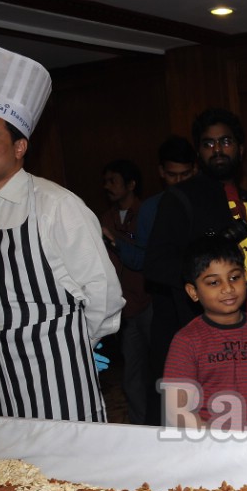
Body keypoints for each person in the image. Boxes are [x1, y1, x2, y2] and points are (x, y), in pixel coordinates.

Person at [0, 43, 124, 422]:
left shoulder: (57, 205)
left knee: (73, 474)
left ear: (20, 146)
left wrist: (76, 345)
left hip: (62, 373)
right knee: (12, 474)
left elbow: (104, 295)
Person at [143, 108, 247, 425]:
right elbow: (155, 264)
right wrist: (205, 265)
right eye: (208, 144)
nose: (218, 150)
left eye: (225, 142)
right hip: (209, 333)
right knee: (218, 422)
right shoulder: (180, 199)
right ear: (198, 153)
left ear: (240, 148)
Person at [161, 235, 247, 430]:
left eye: (234, 278)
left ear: (246, 277)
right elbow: (177, 413)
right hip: (206, 442)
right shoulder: (187, 341)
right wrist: (225, 440)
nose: (228, 288)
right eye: (213, 283)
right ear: (193, 292)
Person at [99, 159, 151, 424]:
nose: (108, 186)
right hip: (124, 308)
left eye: (114, 181)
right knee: (131, 372)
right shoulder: (104, 218)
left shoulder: (146, 213)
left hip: (149, 302)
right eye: (105, 181)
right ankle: (138, 426)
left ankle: (164, 423)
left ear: (131, 185)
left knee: (157, 369)